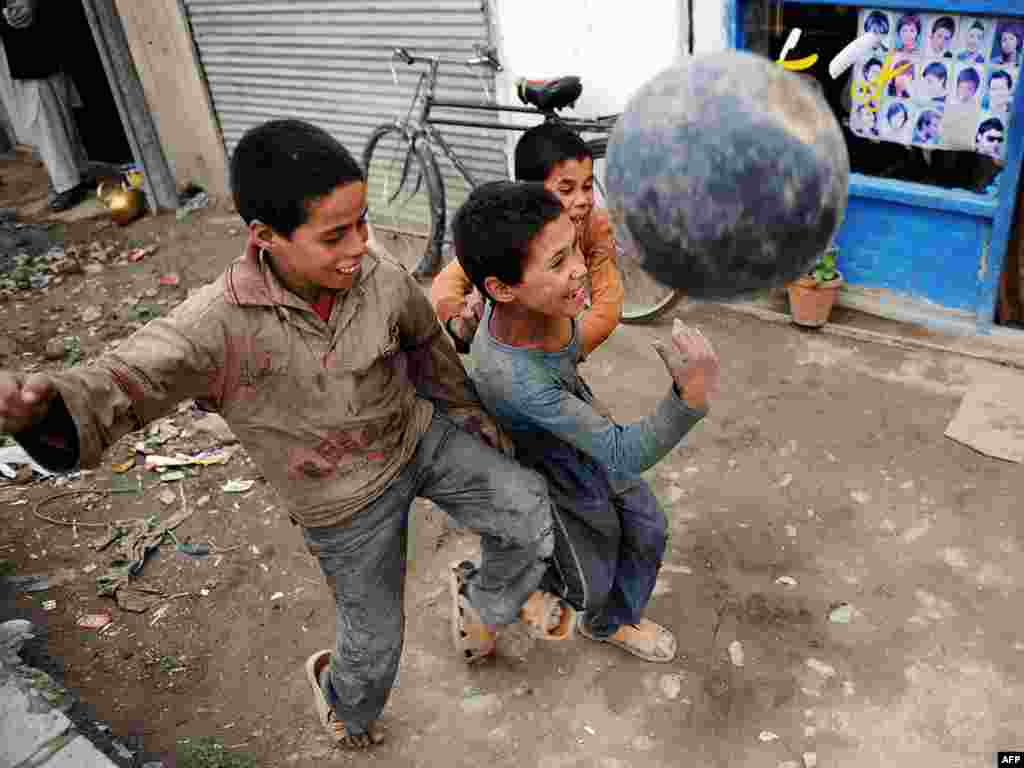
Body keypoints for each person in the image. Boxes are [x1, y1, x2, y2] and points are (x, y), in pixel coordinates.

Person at [0, 119, 565, 750]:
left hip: (417, 438)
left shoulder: (377, 277)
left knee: (527, 510)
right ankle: (344, 705)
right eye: (335, 236)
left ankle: (482, 603)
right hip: (342, 506)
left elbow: (427, 347)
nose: (360, 245)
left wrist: (471, 417)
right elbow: (122, 380)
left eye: (363, 223)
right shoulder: (214, 326)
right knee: (375, 645)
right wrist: (44, 411)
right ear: (266, 237)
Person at [453, 181, 719, 664]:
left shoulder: (533, 299)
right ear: (501, 288)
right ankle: (486, 590)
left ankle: (608, 622)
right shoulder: (518, 378)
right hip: (550, 472)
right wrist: (688, 397)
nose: (577, 268)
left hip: (578, 426)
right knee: (585, 581)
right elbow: (624, 451)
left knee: (647, 527)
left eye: (572, 247)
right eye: (557, 263)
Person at [431, 122, 623, 360]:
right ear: (528, 192)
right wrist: (460, 322)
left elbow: (608, 307)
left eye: (587, 186)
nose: (583, 200)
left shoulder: (595, 225)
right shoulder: (509, 231)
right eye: (566, 190)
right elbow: (447, 282)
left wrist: (564, 353)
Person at [0, 0, 90, 211]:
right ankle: (76, 174)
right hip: (31, 42)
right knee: (54, 112)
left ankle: (69, 182)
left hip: (35, 44)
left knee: (44, 114)